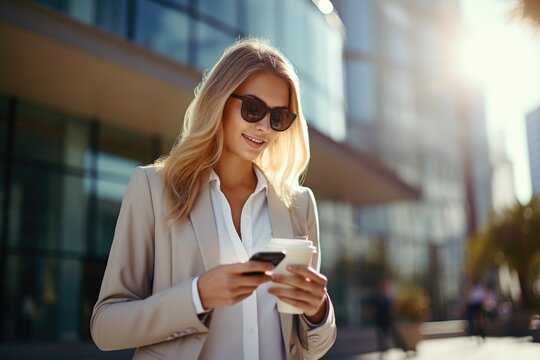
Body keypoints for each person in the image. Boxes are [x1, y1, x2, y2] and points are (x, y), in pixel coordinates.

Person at [90, 38, 336, 360]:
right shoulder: (153, 188)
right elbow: (106, 327)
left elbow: (312, 347)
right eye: (253, 109)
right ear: (220, 100)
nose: (264, 127)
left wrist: (318, 311)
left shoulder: (299, 204)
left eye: (279, 117)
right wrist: (197, 296)